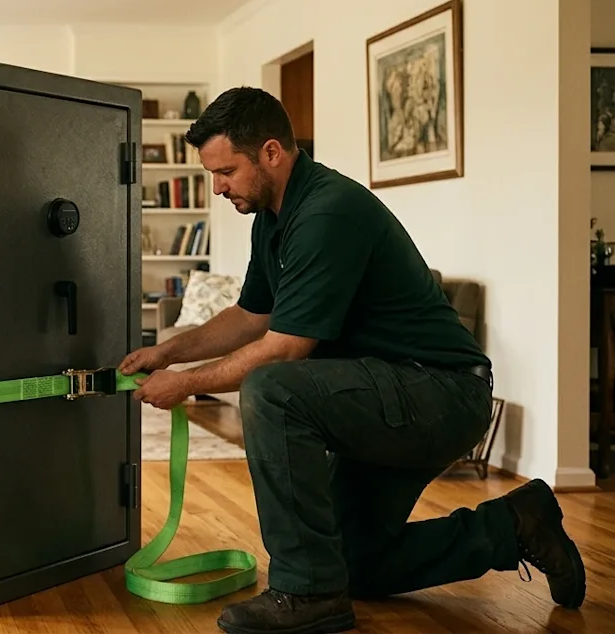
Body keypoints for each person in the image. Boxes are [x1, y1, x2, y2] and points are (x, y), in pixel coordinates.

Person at [119, 87, 586, 634]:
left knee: (273, 389)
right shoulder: (273, 216)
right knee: (352, 560)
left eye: (226, 171)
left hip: (440, 392)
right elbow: (252, 315)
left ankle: (305, 593)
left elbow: (285, 348)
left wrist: (185, 384)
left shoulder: (327, 211)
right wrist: (167, 350)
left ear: (271, 152)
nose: (218, 187)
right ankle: (516, 525)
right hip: (382, 392)